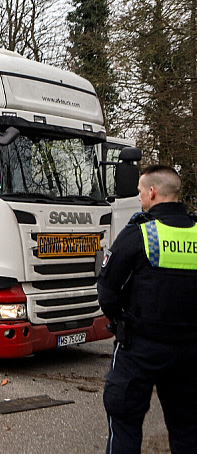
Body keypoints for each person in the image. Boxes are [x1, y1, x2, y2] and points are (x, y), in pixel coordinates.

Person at [98, 165, 197, 453]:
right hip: (190, 351)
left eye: (141, 192)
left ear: (151, 192)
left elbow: (107, 289)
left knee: (125, 425)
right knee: (188, 429)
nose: (141, 198)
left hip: (139, 347)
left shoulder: (140, 234)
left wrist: (119, 321)